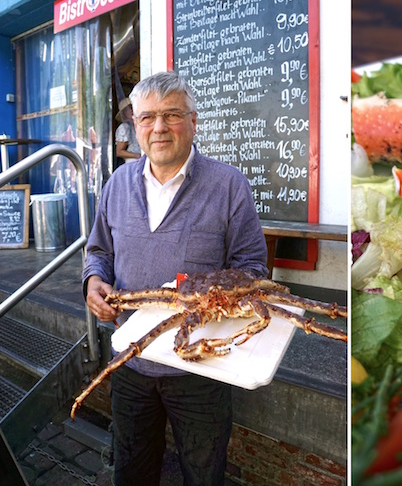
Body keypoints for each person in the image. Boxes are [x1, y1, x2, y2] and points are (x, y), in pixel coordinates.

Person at [82, 71, 268, 486]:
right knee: (132, 469)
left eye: (172, 115)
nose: (159, 127)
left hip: (201, 369)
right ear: (135, 125)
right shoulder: (117, 184)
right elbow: (98, 252)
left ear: (193, 121)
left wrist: (212, 296)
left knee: (204, 473)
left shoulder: (229, 185)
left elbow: (253, 267)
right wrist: (94, 281)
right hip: (130, 358)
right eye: (147, 118)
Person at [114, 97, 142, 163]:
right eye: (128, 109)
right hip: (133, 162)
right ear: (124, 113)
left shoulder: (138, 125)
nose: (131, 110)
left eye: (132, 108)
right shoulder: (124, 127)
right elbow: (119, 152)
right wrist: (137, 155)